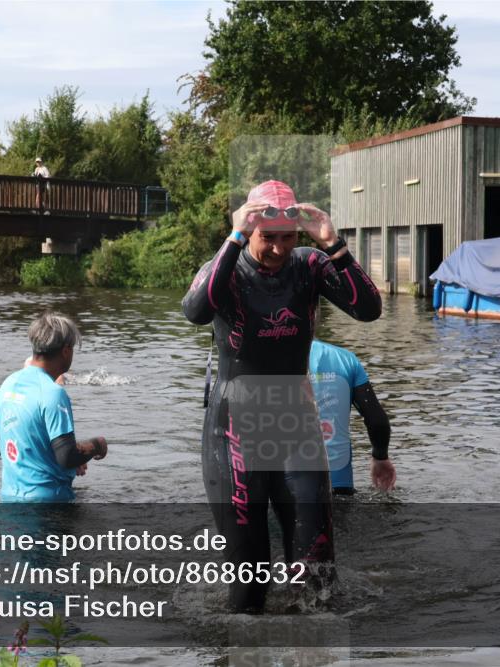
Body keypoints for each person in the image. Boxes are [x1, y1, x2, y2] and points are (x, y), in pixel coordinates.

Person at [181, 180, 382, 613]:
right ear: (249, 230)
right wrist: (233, 239)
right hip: (233, 433)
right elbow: (196, 311)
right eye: (266, 238)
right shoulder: (226, 266)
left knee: (316, 578)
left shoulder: (310, 266)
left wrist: (332, 243)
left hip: (296, 427)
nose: (277, 248)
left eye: (286, 238)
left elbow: (369, 309)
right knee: (250, 579)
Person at [0, 312, 108, 502]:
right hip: (49, 505)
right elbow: (67, 457)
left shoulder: (8, 384)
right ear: (66, 351)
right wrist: (97, 445)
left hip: (8, 500)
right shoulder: (53, 393)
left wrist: (69, 454)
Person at [308, 339, 395, 494]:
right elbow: (377, 422)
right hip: (339, 483)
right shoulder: (345, 359)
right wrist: (380, 457)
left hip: (282, 484)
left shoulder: (257, 356)